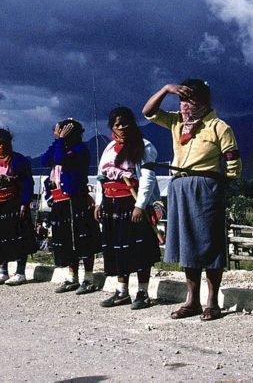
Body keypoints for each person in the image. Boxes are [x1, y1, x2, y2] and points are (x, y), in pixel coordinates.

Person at [143, 79, 242, 321]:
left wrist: (219, 184)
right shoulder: (177, 122)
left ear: (205, 100)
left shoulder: (219, 127)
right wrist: (167, 89)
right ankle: (192, 300)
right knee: (187, 244)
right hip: (179, 186)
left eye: (192, 99)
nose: (186, 105)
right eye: (182, 99)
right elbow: (148, 112)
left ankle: (212, 302)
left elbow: (233, 163)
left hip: (206, 185)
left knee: (209, 244)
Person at [93, 106, 161, 309]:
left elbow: (148, 179)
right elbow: (101, 178)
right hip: (111, 205)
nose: (121, 127)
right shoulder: (108, 149)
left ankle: (142, 293)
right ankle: (121, 292)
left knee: (139, 249)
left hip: (132, 205)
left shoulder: (144, 146)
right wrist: (98, 202)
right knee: (118, 249)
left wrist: (140, 206)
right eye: (116, 124)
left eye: (125, 123)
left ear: (132, 123)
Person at [41, 118, 102, 295]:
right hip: (59, 201)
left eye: (60, 131)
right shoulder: (59, 147)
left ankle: (89, 278)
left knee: (82, 239)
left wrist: (60, 140)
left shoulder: (79, 150)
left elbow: (60, 159)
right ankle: (72, 277)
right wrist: (57, 141)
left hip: (75, 200)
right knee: (67, 240)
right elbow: (46, 160)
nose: (56, 133)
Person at [0, 129, 36, 287]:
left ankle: (20, 272)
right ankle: (2, 271)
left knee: (17, 238)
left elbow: (27, 183)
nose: (0, 147)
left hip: (13, 204)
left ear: (9, 143)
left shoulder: (19, 160)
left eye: (3, 143)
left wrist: (25, 202)